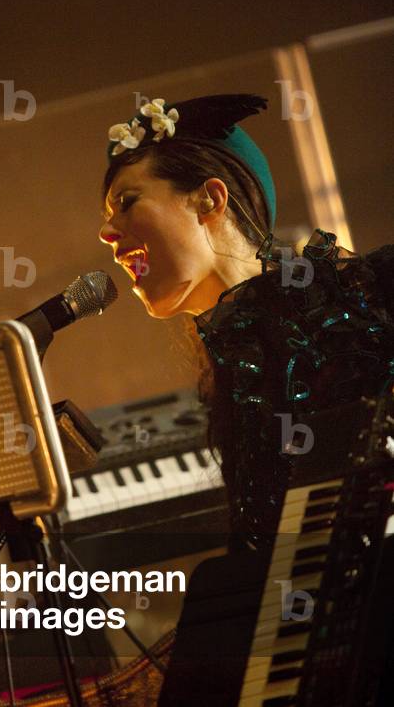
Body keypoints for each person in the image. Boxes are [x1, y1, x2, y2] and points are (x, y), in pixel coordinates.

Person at [98, 93, 394, 551]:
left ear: (209, 200)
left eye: (127, 202)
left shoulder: (366, 293)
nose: (106, 232)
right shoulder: (235, 368)